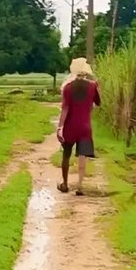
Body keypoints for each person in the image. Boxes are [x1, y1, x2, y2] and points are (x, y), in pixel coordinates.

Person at [57, 57, 101, 196]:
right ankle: (80, 186)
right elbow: (98, 102)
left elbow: (65, 109)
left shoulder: (68, 88)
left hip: (70, 127)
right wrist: (97, 87)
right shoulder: (92, 86)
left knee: (66, 155)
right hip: (85, 128)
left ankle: (65, 184)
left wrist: (60, 128)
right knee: (82, 157)